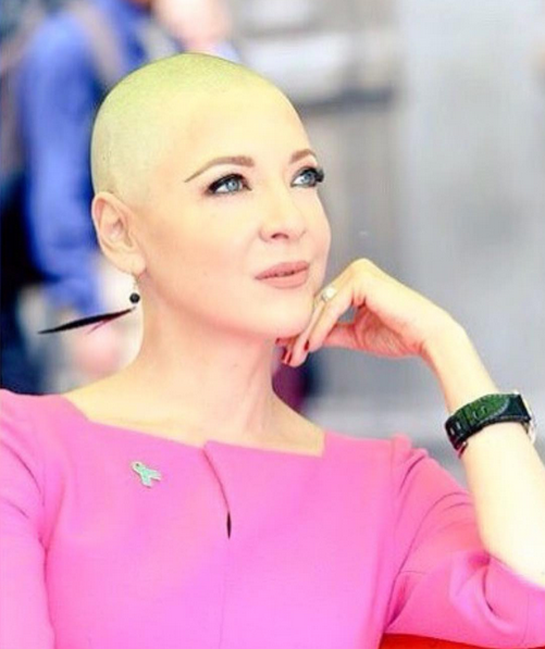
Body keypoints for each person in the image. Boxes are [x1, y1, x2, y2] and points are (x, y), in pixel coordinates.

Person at [1, 52, 544, 649]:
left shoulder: (386, 487)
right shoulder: (22, 451)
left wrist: (447, 345)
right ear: (120, 232)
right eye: (229, 183)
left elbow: (531, 607)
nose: (288, 219)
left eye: (305, 178)